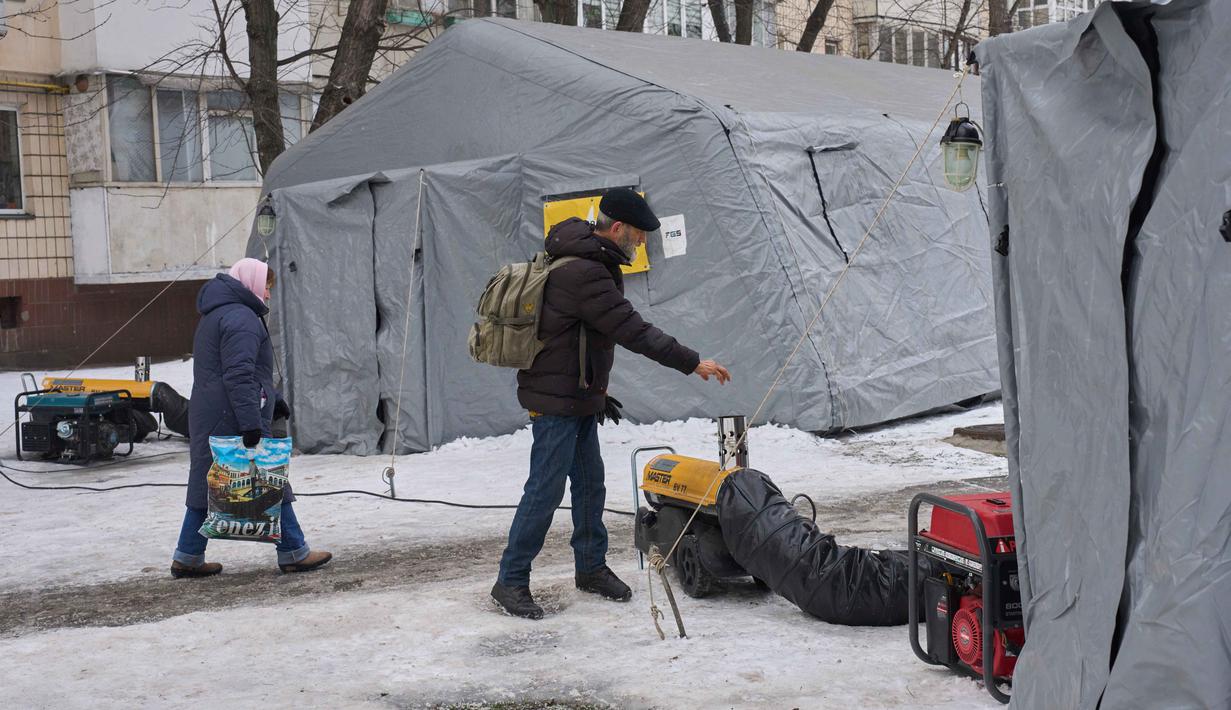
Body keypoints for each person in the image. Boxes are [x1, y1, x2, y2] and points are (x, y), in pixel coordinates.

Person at [491, 188, 731, 619]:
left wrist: (595, 393)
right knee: (544, 491)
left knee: (590, 486)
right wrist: (692, 362)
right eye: (638, 235)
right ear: (618, 227)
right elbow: (632, 330)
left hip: (577, 396)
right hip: (556, 401)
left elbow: (585, 336)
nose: (641, 243)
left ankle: (590, 568)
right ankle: (510, 579)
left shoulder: (590, 260)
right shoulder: (585, 272)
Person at [170, 258, 333, 578]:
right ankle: (293, 551)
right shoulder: (241, 318)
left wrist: (273, 403)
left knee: (211, 482)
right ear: (251, 284)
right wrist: (251, 423)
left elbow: (237, 374)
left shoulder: (218, 313)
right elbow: (239, 375)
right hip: (232, 414)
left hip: (214, 412)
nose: (269, 295)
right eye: (267, 287)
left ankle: (188, 556)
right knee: (268, 477)